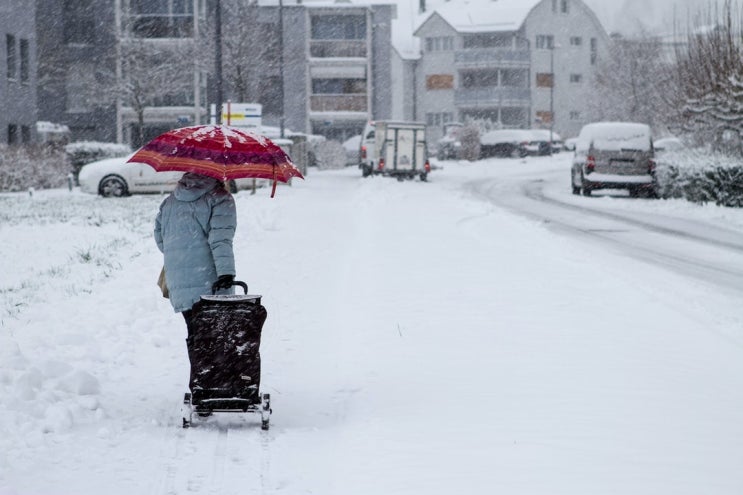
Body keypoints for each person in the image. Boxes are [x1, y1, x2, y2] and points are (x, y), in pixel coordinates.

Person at [154, 172, 237, 387]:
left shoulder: (170, 201)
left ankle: (201, 384)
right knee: (216, 335)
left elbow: (160, 238)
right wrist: (226, 273)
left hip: (179, 280)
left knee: (196, 333)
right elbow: (220, 241)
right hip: (210, 280)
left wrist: (182, 258)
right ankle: (215, 386)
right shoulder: (220, 199)